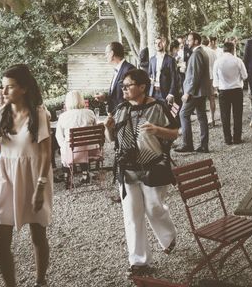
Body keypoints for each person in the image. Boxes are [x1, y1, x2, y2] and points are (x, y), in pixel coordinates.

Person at [0, 64, 52, 287]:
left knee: (38, 235)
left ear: (24, 89)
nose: (4, 92)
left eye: (9, 87)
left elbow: (46, 152)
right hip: (6, 177)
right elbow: (3, 145)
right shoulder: (1, 112)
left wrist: (40, 187)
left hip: (34, 177)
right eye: (3, 87)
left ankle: (40, 281)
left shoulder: (38, 113)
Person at [105, 68, 179, 277]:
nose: (124, 89)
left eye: (128, 85)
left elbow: (175, 133)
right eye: (123, 86)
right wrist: (108, 128)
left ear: (142, 87)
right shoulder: (120, 109)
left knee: (155, 208)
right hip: (127, 169)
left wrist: (157, 130)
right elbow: (112, 139)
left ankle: (169, 235)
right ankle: (139, 262)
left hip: (154, 167)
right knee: (132, 215)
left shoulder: (158, 107)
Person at [175, 32, 212, 153]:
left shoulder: (196, 54)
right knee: (201, 117)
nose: (187, 42)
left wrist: (188, 92)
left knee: (183, 114)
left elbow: (195, 76)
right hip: (201, 91)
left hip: (195, 92)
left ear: (196, 41)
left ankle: (187, 144)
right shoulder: (201, 52)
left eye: (189, 40)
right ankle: (204, 145)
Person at [54, 90, 97, 184]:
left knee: (66, 148)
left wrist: (64, 148)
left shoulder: (63, 116)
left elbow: (59, 136)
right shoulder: (90, 113)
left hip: (72, 154)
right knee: (83, 146)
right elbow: (95, 130)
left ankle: (67, 177)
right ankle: (85, 174)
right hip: (91, 151)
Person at [213, 41, 248, 145]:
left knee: (225, 115)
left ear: (224, 49)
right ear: (233, 49)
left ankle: (227, 139)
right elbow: (245, 76)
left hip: (223, 91)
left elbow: (215, 81)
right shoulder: (238, 61)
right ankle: (237, 138)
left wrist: (219, 86)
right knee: (237, 115)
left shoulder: (218, 62)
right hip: (237, 90)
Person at [95, 42, 136, 115]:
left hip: (125, 115)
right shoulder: (117, 69)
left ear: (111, 53)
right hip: (115, 115)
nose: (105, 56)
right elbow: (117, 94)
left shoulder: (129, 69)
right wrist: (105, 97)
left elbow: (132, 95)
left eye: (106, 53)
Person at [148, 36, 179, 104]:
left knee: (165, 113)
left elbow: (174, 78)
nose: (157, 45)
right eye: (156, 43)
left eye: (160, 43)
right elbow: (149, 74)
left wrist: (171, 93)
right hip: (153, 92)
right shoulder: (152, 59)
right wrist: (150, 79)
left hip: (165, 93)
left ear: (164, 43)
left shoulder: (170, 60)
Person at [202, 35, 218, 127]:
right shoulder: (213, 52)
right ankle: (212, 118)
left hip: (203, 78)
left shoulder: (200, 51)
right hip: (212, 77)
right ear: (208, 42)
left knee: (202, 99)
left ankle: (205, 120)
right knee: (212, 98)